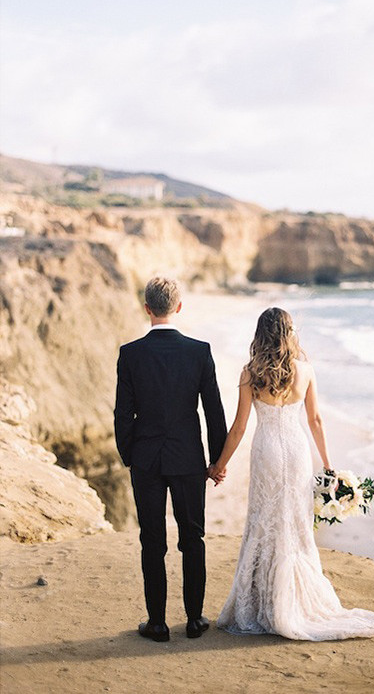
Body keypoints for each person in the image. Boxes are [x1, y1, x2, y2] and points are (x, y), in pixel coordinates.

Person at [210, 307, 374, 641]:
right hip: (295, 452)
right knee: (294, 523)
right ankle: (294, 601)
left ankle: (261, 604)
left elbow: (238, 427)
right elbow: (316, 420)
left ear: (261, 334)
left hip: (266, 450)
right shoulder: (305, 370)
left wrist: (219, 465)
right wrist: (328, 465)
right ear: (289, 332)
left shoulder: (251, 372)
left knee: (264, 520)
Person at [114, 276, 227, 643]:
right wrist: (217, 461)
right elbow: (214, 412)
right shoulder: (199, 351)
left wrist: (130, 455)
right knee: (193, 538)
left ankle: (158, 624)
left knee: (153, 541)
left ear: (147, 308)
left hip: (146, 459)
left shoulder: (130, 354)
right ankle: (195, 621)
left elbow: (122, 414)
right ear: (178, 307)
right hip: (189, 459)